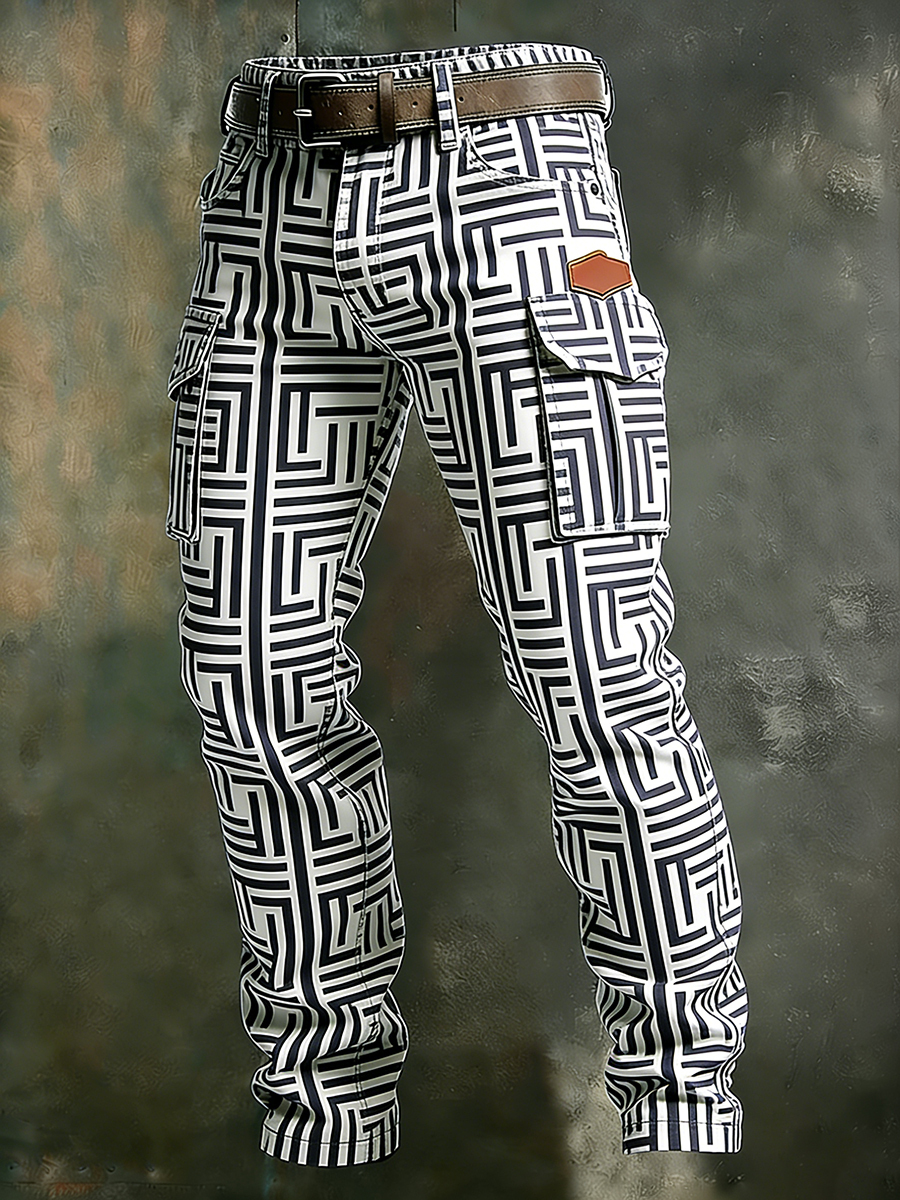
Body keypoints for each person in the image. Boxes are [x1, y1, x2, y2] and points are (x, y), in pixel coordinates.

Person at [165, 18, 747, 1167]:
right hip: (268, 196)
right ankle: (328, 1116)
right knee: (249, 681)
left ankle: (680, 1106)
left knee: (598, 679)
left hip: (509, 171)